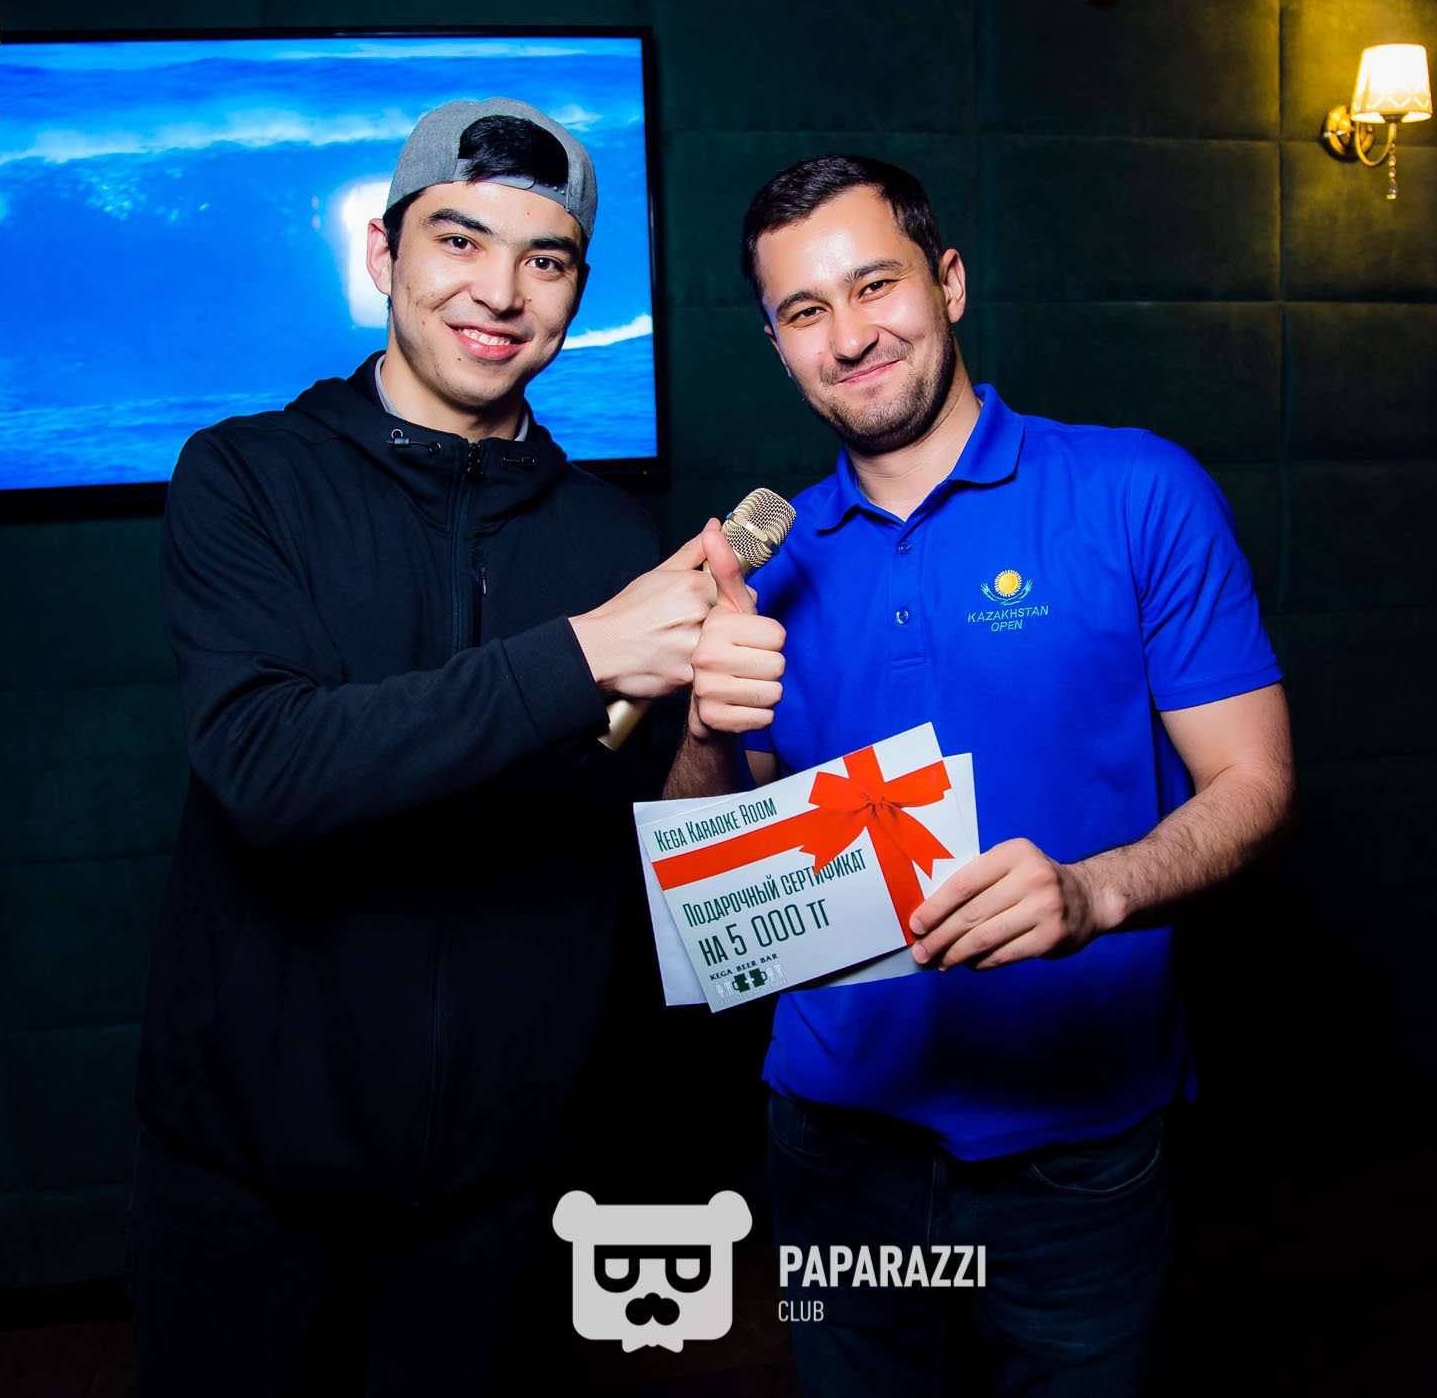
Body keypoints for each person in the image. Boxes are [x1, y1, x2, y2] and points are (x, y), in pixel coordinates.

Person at [669, 156, 1296, 1395]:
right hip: (836, 1140)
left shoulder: (1137, 493)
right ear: (778, 346)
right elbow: (705, 877)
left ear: (948, 282)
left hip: (1079, 1142)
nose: (851, 336)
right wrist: (703, 725)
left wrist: (1095, 892)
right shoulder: (763, 565)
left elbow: (1255, 782)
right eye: (806, 311)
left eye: (877, 285)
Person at [131, 98, 721, 1395]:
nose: (499, 293)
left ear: (576, 293)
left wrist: (723, 732)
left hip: (503, 1182)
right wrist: (583, 657)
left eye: (545, 259)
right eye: (459, 241)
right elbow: (269, 770)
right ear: (380, 254)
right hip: (250, 1169)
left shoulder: (616, 539)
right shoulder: (245, 477)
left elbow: (649, 852)